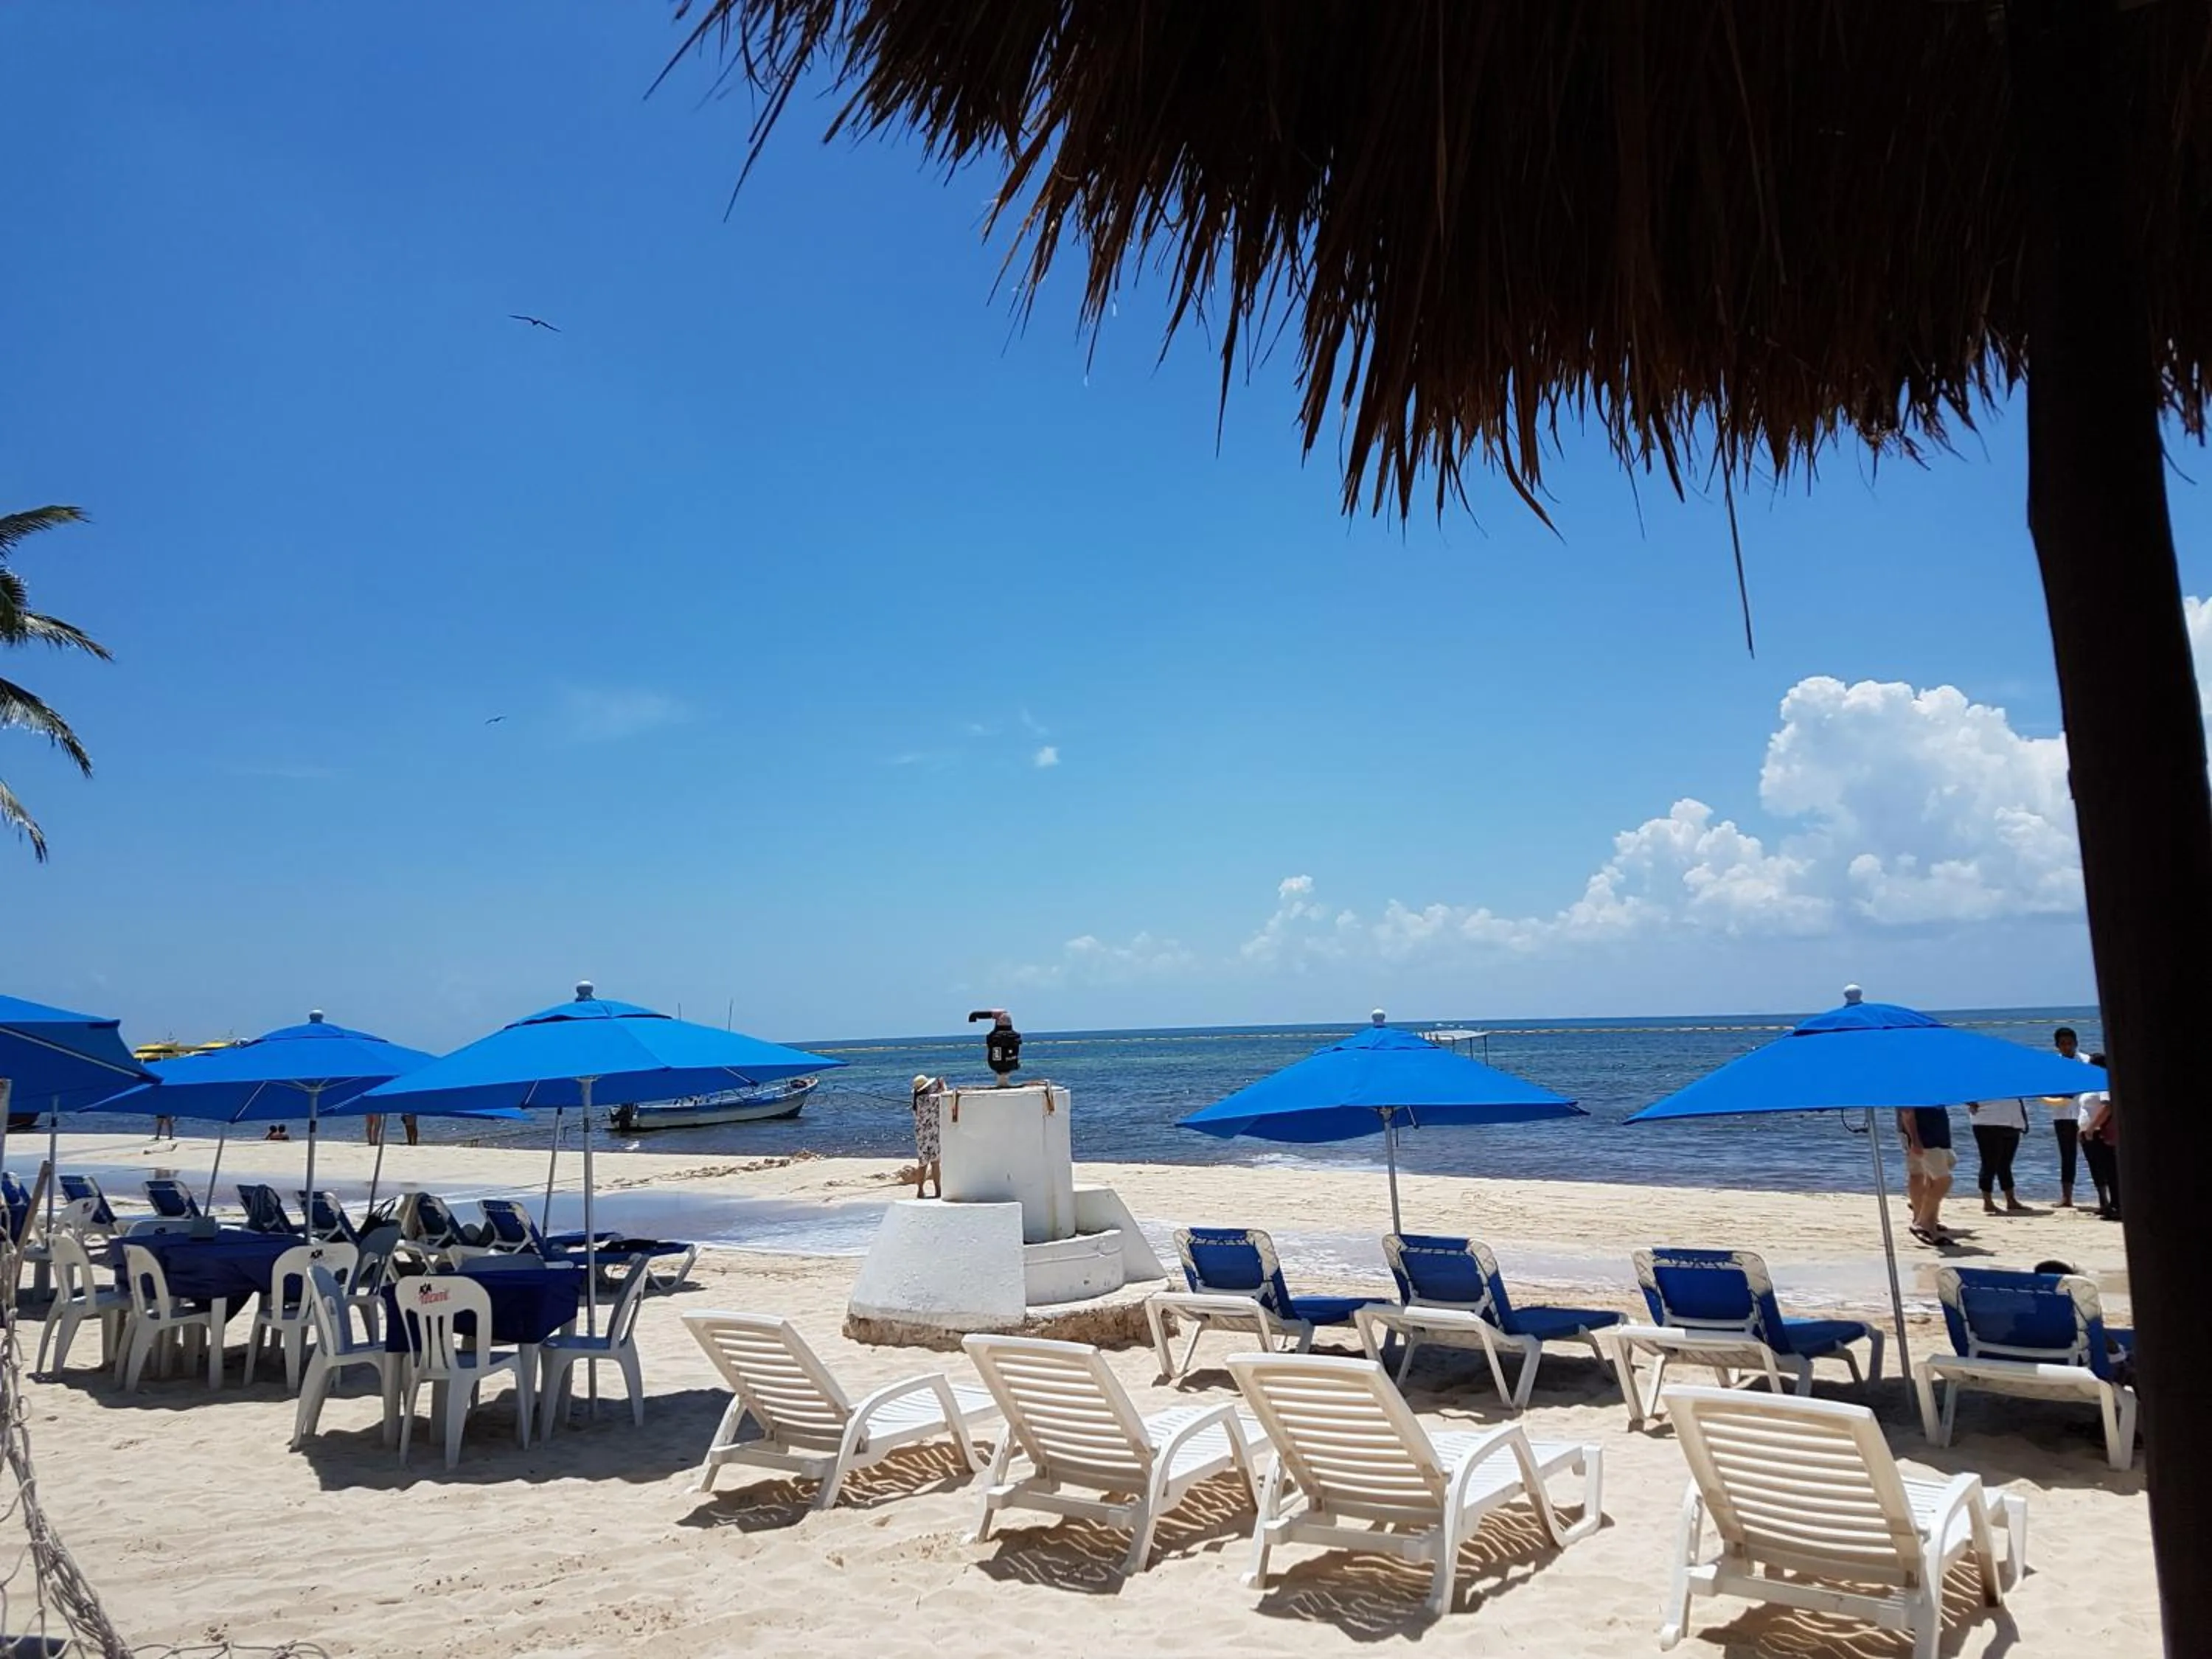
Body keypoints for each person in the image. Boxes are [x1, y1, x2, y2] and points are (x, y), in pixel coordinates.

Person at [2048, 1026, 2096, 1207]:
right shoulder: (2053, 1063)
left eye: (2070, 1043)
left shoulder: (2087, 1061)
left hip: (2085, 1115)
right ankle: (2067, 1197)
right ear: (2057, 1046)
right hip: (2062, 1115)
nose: (2067, 1047)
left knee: (2093, 1155)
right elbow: (2046, 1088)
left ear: (2076, 1043)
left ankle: (2102, 1195)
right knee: (2067, 1156)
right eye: (2063, 1044)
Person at [1898, 1104, 1957, 1245]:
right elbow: (1907, 1112)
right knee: (1943, 1180)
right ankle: (1921, 1222)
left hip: (1939, 1137)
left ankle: (1931, 1227)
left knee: (1934, 1179)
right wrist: (1915, 1141)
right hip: (1926, 1139)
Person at [1966, 1096, 2031, 1214]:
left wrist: (2024, 1119)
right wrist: (1969, 1101)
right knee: (1989, 1163)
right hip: (1987, 1120)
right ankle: (1988, 1203)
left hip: (2012, 1120)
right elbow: (1960, 1089)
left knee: (2005, 1164)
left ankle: (2011, 1200)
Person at [2079, 1055, 2121, 1220]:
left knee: (2110, 1169)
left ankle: (2117, 1205)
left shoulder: (2103, 1083)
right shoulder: (2091, 1084)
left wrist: (2090, 1128)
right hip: (2089, 1132)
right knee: (2097, 1169)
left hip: (2099, 1132)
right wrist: (2082, 1129)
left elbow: (2107, 1107)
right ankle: (2106, 1204)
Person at [909, 1074, 944, 1199]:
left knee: (922, 1163)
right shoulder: (931, 1099)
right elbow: (944, 1096)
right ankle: (938, 1190)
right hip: (933, 1133)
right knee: (935, 1162)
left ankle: (920, 1190)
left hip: (920, 1134)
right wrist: (942, 1086)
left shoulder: (916, 1101)